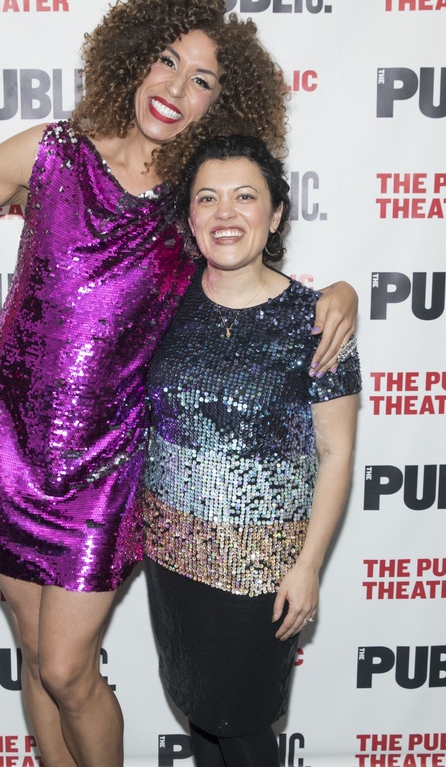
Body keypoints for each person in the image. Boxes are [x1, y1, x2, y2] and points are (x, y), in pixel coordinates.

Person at [0, 0, 357, 767]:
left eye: (203, 80)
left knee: (65, 667)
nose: (176, 89)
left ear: (223, 103)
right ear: (134, 61)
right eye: (167, 61)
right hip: (6, 445)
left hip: (107, 467)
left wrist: (341, 294)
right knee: (33, 659)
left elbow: (250, 282)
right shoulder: (49, 152)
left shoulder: (192, 205)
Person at [142, 134, 361, 767]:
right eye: (207, 199)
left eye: (245, 197)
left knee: (241, 724)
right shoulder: (163, 307)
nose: (225, 213)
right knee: (200, 716)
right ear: (190, 218)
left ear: (276, 214)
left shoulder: (319, 320)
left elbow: (336, 454)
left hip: (263, 570)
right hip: (172, 558)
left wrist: (310, 564)